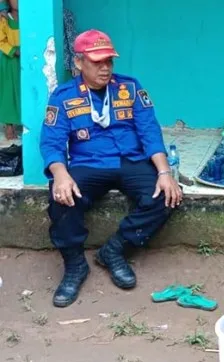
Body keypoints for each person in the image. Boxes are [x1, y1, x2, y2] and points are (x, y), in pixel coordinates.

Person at [40, 29, 182, 308]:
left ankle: (115, 250)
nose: (105, 68)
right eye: (97, 62)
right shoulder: (64, 95)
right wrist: (60, 174)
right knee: (62, 200)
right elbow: (51, 141)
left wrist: (165, 173)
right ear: (79, 63)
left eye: (109, 61)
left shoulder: (129, 88)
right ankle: (75, 265)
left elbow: (149, 132)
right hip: (88, 164)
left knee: (166, 196)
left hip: (130, 161)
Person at [0, 0, 20, 140]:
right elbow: (1, 41)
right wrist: (14, 51)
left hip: (27, 61)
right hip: (9, 61)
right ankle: (9, 126)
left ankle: (23, 124)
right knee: (8, 93)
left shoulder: (29, 18)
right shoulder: (4, 19)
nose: (17, 2)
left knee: (22, 92)